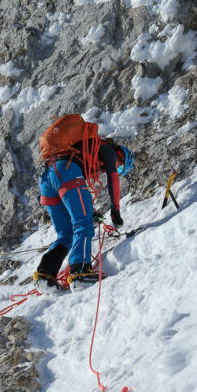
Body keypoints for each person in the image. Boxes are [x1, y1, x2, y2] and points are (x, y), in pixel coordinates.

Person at [33, 114, 133, 288]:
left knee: (66, 234)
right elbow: (113, 179)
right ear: (121, 156)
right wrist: (115, 210)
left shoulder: (84, 149)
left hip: (47, 178)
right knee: (83, 224)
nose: (116, 168)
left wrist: (91, 212)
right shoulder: (108, 150)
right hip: (66, 171)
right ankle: (80, 272)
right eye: (120, 167)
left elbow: (73, 198)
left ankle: (45, 275)